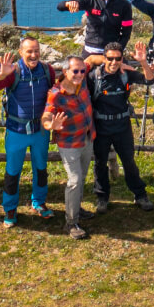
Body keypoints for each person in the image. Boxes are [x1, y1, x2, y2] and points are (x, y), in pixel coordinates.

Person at [0, 38, 57, 227]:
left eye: (36, 51)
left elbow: (56, 91)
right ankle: (10, 208)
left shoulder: (47, 70)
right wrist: (1, 76)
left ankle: (39, 202)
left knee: (41, 168)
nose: (33, 55)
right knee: (13, 171)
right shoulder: (13, 71)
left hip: (40, 130)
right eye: (29, 51)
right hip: (16, 130)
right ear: (20, 52)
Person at [87, 40, 154, 213]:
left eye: (118, 59)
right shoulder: (93, 76)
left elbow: (149, 80)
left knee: (129, 162)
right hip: (101, 127)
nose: (114, 62)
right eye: (110, 58)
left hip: (122, 126)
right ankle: (102, 198)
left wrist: (142, 62)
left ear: (122, 59)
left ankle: (140, 195)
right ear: (104, 58)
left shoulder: (126, 74)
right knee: (100, 163)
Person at [42, 55, 97, 239]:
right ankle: (71, 223)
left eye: (82, 71)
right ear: (65, 72)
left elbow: (92, 59)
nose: (80, 74)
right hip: (69, 144)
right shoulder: (56, 93)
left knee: (81, 176)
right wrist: (51, 126)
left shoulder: (81, 80)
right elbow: (46, 115)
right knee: (74, 180)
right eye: (75, 71)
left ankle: (77, 209)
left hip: (87, 138)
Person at [57, 0, 133, 62]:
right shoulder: (90, 0)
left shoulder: (124, 5)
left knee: (127, 75)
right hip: (90, 52)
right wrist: (68, 4)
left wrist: (117, 51)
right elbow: (60, 6)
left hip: (113, 53)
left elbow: (126, 33)